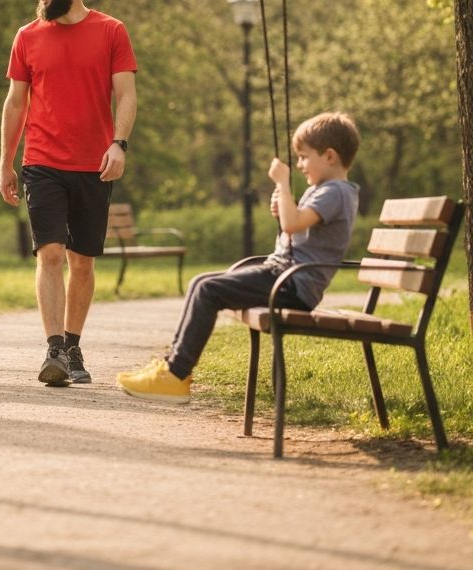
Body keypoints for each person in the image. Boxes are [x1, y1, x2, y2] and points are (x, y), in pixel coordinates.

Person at [116, 111, 360, 403]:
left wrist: (283, 186)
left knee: (208, 290)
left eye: (304, 157)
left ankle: (176, 375)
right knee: (200, 281)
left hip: (293, 284)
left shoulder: (335, 192)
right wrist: (284, 206)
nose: (299, 165)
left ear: (330, 156)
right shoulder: (327, 190)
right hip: (284, 275)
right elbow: (295, 225)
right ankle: (172, 367)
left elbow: (293, 224)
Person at [0, 0, 137, 387]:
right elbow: (15, 103)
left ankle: (74, 345)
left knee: (82, 261)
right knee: (51, 254)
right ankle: (54, 348)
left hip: (95, 163)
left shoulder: (111, 30)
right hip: (42, 161)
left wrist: (119, 144)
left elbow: (127, 95)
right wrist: (6, 163)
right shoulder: (27, 36)